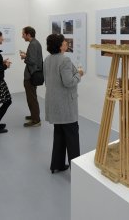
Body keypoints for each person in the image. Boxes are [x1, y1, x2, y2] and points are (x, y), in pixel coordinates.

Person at [44, 34, 84, 173]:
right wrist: (79, 74)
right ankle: (77, 170)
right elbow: (69, 82)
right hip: (65, 104)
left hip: (54, 102)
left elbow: (47, 81)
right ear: (60, 45)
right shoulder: (65, 60)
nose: (66, 42)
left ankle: (57, 164)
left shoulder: (48, 59)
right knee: (72, 137)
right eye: (64, 41)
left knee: (59, 134)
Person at [19, 26, 43, 127]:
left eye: (23, 34)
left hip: (31, 75)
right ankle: (34, 115)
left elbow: (32, 61)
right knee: (31, 97)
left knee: (31, 98)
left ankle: (36, 120)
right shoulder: (35, 43)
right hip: (32, 74)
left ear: (28, 34)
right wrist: (27, 55)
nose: (22, 36)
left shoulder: (33, 44)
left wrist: (25, 57)